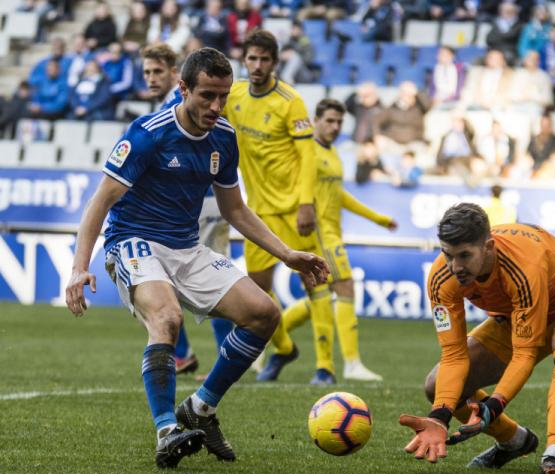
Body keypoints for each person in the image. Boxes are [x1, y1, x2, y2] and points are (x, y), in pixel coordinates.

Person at [65, 47, 328, 469]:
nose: (216, 106)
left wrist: (286, 254)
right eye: (207, 95)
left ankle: (200, 410)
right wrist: (79, 268)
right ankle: (168, 429)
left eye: (223, 96)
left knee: (264, 313)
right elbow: (99, 203)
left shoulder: (223, 136)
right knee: (167, 320)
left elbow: (235, 210)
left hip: (186, 247)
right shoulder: (147, 134)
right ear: (183, 87)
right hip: (134, 242)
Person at [399, 203, 555, 474]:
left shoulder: (523, 264)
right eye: (448, 255)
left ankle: (554, 454)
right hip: (517, 314)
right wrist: (439, 415)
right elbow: (453, 355)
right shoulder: (442, 277)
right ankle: (515, 440)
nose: (456, 267)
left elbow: (524, 354)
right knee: (436, 385)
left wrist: (494, 404)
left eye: (464, 255)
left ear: (488, 247)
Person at [224, 29, 331, 383]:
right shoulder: (234, 94)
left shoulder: (290, 101)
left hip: (292, 210)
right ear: (244, 60)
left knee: (314, 282)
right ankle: (284, 349)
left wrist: (306, 204)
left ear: (275, 62)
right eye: (251, 59)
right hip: (257, 211)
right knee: (257, 291)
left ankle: (325, 368)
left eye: (264, 59)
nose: (256, 66)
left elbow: (308, 157)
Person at [279, 99, 397, 383]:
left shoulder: (333, 155)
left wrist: (378, 218)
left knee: (318, 300)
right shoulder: (305, 152)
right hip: (318, 235)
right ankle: (351, 363)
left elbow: (339, 195)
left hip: (333, 233)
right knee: (344, 287)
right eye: (329, 120)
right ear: (315, 120)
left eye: (339, 122)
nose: (334, 127)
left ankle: (269, 337)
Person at [141, 43, 234, 374]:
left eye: (158, 72)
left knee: (209, 282)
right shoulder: (167, 108)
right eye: (147, 72)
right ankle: (185, 354)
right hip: (193, 203)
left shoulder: (182, 107)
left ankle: (225, 355)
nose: (151, 78)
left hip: (202, 203)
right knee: (166, 286)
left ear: (175, 75)